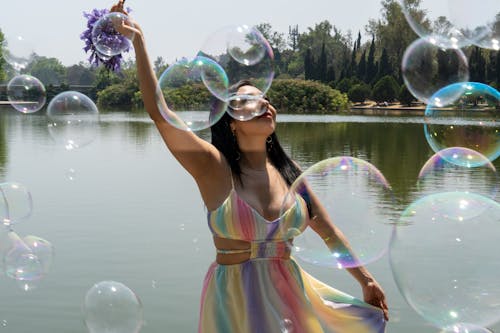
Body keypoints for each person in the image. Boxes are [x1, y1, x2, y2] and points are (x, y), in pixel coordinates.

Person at [111, 1, 389, 332]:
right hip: (234, 304)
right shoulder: (213, 167)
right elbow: (161, 114)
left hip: (291, 303)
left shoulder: (291, 172)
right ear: (231, 122)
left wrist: (367, 280)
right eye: (249, 101)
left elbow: (328, 232)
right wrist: (139, 41)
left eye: (266, 99)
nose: (264, 105)